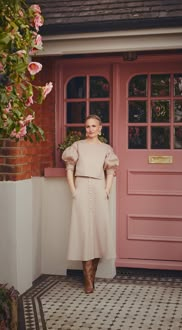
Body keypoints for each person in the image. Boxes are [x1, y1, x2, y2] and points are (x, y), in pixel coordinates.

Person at [62, 115, 119, 294]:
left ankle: (91, 276)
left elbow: (110, 171)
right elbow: (69, 170)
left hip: (99, 188)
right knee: (84, 230)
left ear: (100, 128)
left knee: (98, 229)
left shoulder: (106, 149)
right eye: (87, 126)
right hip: (81, 187)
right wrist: (74, 191)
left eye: (94, 126)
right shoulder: (77, 146)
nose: (90, 129)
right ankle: (87, 280)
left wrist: (106, 191)